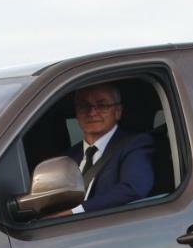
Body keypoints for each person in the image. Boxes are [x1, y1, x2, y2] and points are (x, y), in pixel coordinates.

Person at [65, 84, 156, 214]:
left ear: (117, 111)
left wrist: (75, 211)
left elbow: (133, 188)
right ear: (77, 113)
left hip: (111, 228)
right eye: (84, 106)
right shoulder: (68, 157)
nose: (92, 112)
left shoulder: (135, 144)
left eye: (102, 105)